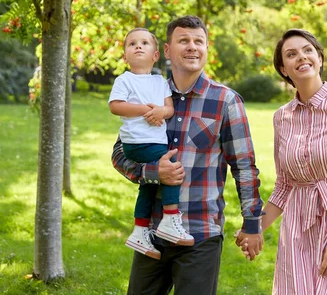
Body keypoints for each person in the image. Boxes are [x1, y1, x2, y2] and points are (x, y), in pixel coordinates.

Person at [111, 15, 264, 294]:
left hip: (201, 232)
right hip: (152, 232)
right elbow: (120, 154)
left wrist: (252, 222)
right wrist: (154, 172)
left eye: (199, 41)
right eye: (184, 40)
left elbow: (243, 165)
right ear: (167, 51)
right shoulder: (148, 94)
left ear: (206, 48)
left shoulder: (226, 101)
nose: (192, 47)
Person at [238, 29, 327, 294]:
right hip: (298, 230)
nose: (301, 57)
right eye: (291, 54)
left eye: (307, 50)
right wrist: (254, 228)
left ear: (319, 58)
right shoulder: (282, 118)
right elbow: (284, 186)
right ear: (283, 69)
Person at [109, 28, 195, 261]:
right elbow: (115, 106)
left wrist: (161, 112)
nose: (138, 46)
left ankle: (139, 230)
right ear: (125, 56)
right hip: (137, 143)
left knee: (148, 184)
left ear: (156, 55)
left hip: (153, 140)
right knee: (172, 167)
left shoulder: (159, 81)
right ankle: (170, 217)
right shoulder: (124, 80)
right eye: (132, 44)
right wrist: (146, 110)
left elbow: (169, 108)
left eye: (145, 43)